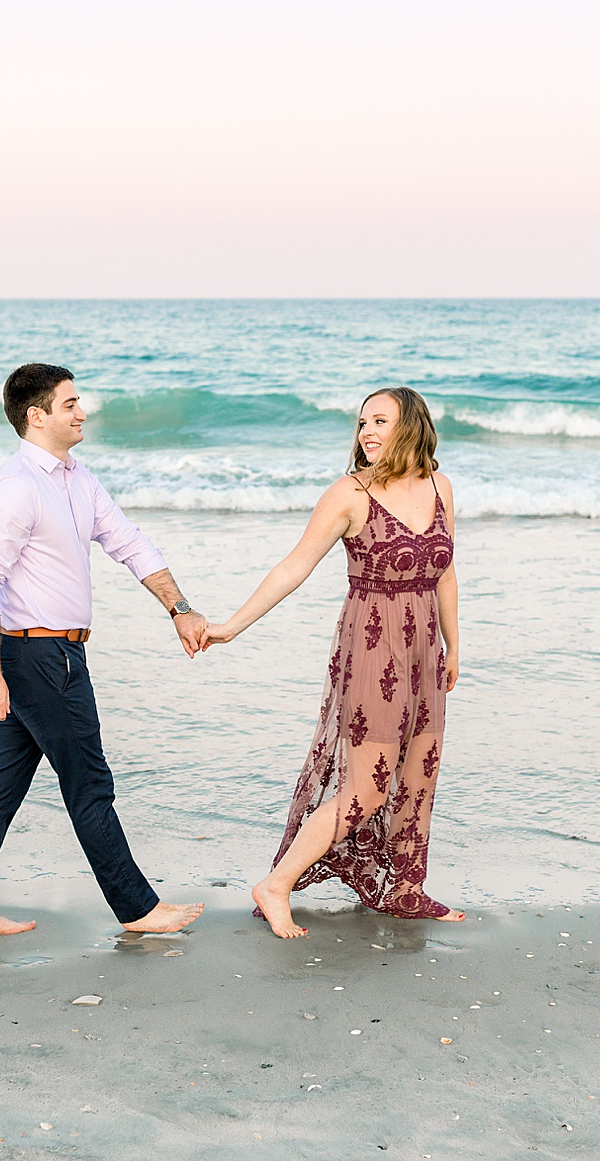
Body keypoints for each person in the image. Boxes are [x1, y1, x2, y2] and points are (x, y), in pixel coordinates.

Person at [0, 362, 206, 939]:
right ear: (36, 417)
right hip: (38, 660)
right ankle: (137, 908)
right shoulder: (15, 488)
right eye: (69, 404)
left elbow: (128, 542)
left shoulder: (76, 478)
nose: (81, 411)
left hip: (54, 656)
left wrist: (180, 608)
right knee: (90, 784)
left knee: (1, 785)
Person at [202, 387, 464, 938]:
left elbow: (444, 571)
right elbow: (293, 567)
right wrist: (230, 626)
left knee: (420, 773)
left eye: (380, 421)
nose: (366, 431)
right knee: (367, 787)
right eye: (363, 422)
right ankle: (276, 884)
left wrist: (455, 645)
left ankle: (404, 889)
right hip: (372, 647)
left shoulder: (440, 487)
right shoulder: (349, 494)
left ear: (412, 427)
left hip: (425, 650)